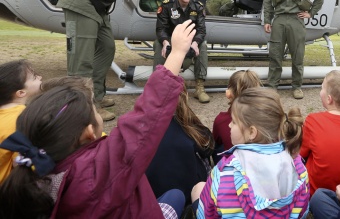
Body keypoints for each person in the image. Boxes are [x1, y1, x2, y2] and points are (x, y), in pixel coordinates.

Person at [0, 20, 196, 219]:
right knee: (177, 196)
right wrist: (178, 52)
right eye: (94, 107)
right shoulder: (100, 172)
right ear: (89, 132)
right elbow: (147, 118)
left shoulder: (30, 179)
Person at [56, 0, 158, 121]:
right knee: (82, 58)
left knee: (107, 48)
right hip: (81, 3)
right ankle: (84, 109)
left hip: (99, 9)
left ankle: (96, 96)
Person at [191, 87, 309, 218]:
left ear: (252, 132)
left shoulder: (224, 172)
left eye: (234, 122)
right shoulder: (298, 166)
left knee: (198, 188)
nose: (229, 125)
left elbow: (207, 214)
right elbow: (302, 211)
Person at [263, 0, 325, 99]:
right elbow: (268, 0)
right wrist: (267, 20)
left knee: (298, 56)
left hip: (296, 20)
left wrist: (311, 13)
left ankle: (297, 86)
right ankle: (272, 86)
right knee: (275, 55)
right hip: (279, 20)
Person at [146, 85, 215, 207]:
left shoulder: (142, 129)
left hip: (152, 193)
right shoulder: (190, 127)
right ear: (184, 97)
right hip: (189, 193)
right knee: (202, 155)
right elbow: (208, 148)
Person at [155, 0, 210, 103]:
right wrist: (165, 42)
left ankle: (199, 88)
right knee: (158, 44)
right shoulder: (166, 6)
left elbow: (201, 30)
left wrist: (195, 43)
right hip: (171, 38)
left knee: (203, 45)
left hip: (190, 39)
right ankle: (158, 87)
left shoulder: (198, 7)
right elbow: (161, 28)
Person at [0, 60, 42, 184]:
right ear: (21, 93)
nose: (40, 77)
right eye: (34, 77)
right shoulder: (23, 119)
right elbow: (20, 164)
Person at [212, 69, 262, 157]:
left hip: (233, 164)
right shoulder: (268, 118)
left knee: (217, 146)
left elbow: (215, 144)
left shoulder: (221, 120)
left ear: (229, 94)